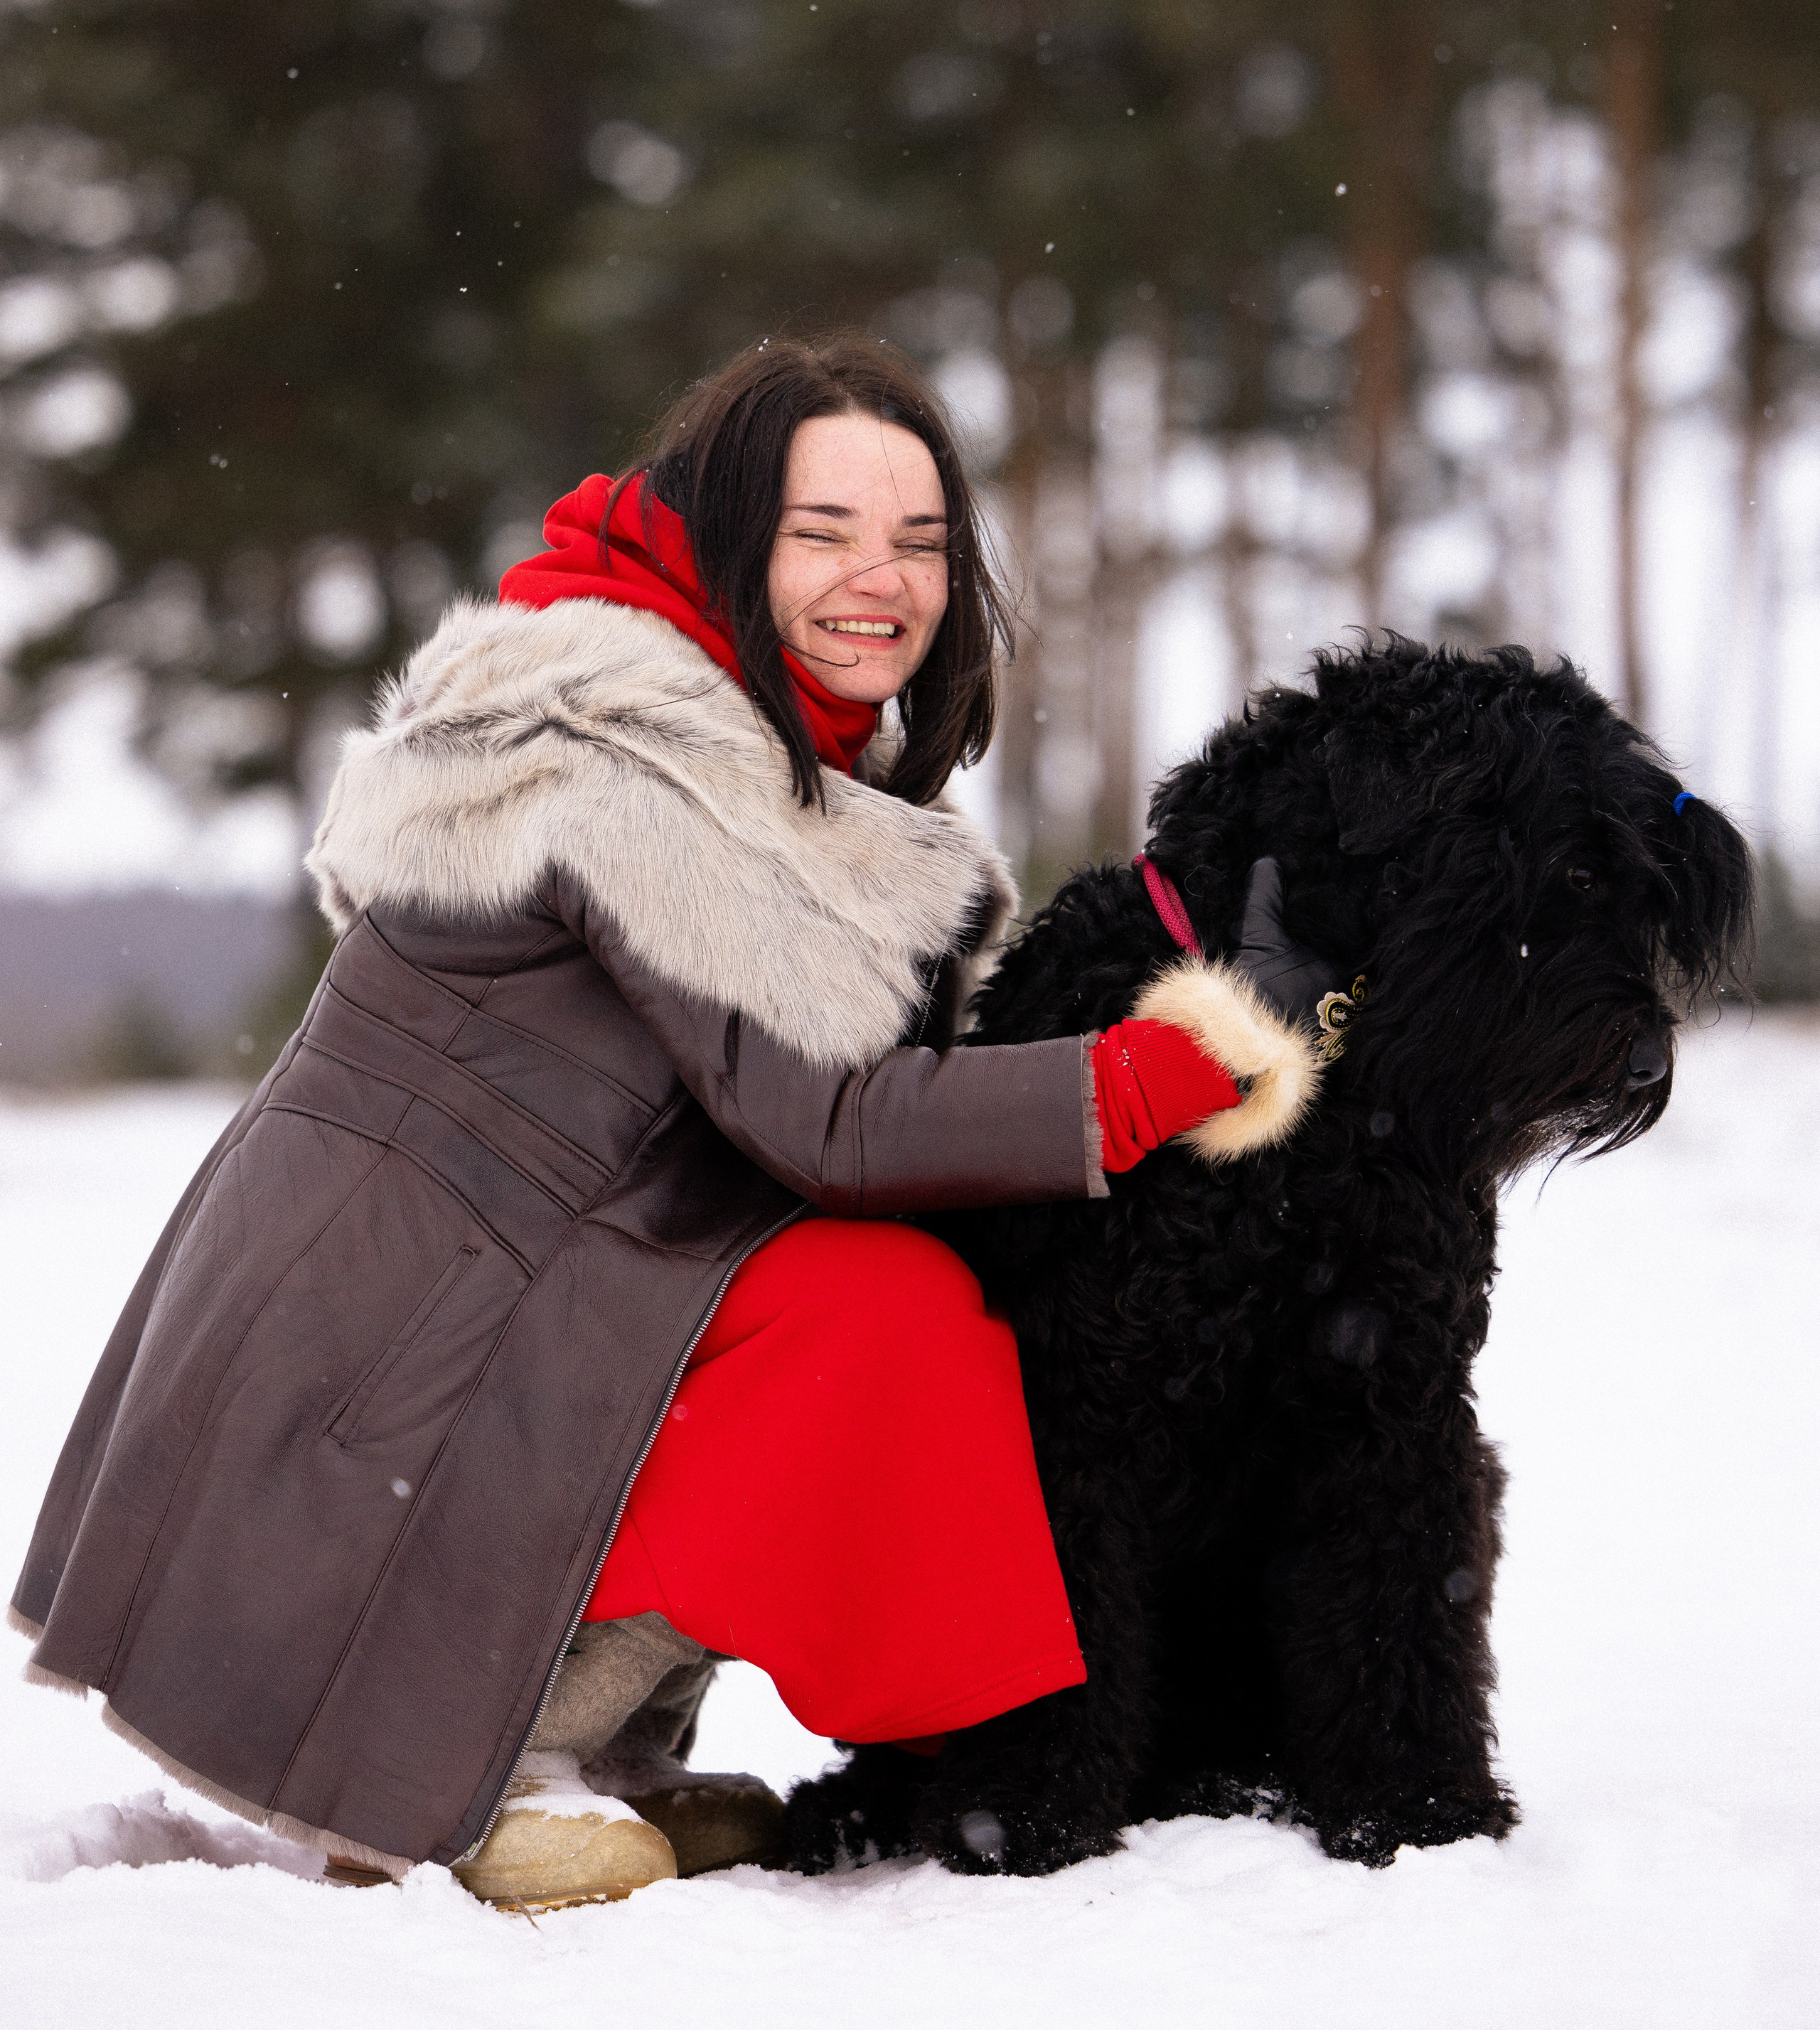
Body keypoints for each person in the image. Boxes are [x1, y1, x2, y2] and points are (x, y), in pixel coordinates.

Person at [9, 335, 1324, 1911]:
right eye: (821, 531)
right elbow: (822, 1120)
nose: (879, 580)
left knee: (850, 1292)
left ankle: (609, 1738)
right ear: (725, 539)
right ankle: (482, 1755)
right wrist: (1153, 1069)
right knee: (865, 1311)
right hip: (390, 1346)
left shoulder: (782, 760)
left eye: (917, 541)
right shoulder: (630, 752)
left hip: (524, 1288)